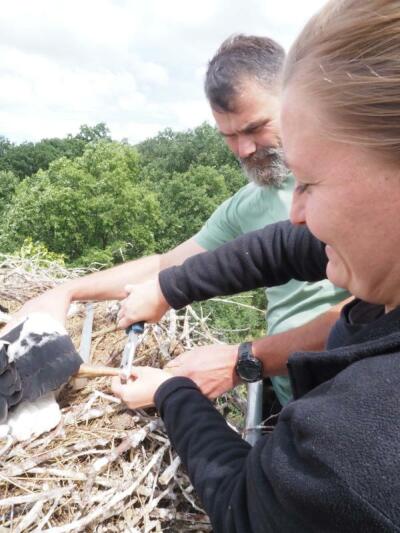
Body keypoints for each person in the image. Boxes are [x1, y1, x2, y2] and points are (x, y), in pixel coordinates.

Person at [111, 1, 400, 531]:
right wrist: (168, 287)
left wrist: (175, 391)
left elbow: (245, 507)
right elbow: (286, 248)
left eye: (310, 182)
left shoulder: (363, 439)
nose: (296, 211)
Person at [9, 35, 347, 409]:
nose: (243, 150)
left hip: (353, 400)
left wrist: (248, 358)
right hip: (293, 404)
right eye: (228, 136)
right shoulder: (247, 205)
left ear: (296, 98)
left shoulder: (356, 177)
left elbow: (369, 316)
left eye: (254, 128)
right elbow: (166, 265)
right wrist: (67, 292)